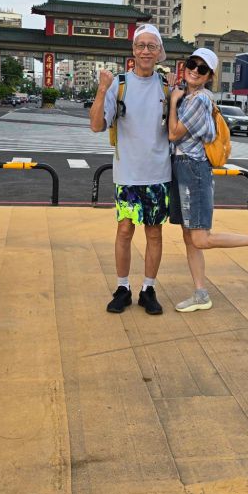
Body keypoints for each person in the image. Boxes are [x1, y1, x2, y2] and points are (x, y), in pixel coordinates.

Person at [168, 48, 248, 313]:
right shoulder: (189, 96)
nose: (195, 71)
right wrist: (175, 93)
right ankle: (201, 294)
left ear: (210, 76)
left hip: (193, 169)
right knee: (189, 236)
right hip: (181, 167)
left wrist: (173, 101)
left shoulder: (199, 100)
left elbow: (174, 134)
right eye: (192, 64)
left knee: (200, 238)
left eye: (202, 69)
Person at [90, 23, 172, 315]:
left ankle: (148, 289)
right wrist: (102, 89)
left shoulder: (167, 86)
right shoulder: (119, 84)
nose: (146, 51)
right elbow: (96, 125)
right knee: (124, 230)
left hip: (159, 173)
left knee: (154, 233)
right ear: (133, 50)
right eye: (141, 45)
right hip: (127, 174)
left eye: (152, 46)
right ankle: (122, 288)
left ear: (159, 51)